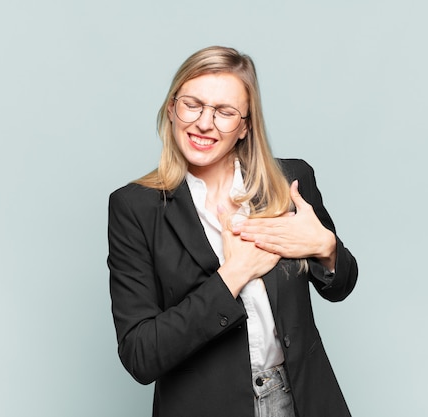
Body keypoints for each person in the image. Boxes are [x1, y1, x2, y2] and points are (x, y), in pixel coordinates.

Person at [107, 45, 358, 417]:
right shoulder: (135, 208)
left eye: (225, 112)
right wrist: (233, 275)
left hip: (303, 399)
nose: (204, 123)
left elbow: (340, 286)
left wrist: (327, 247)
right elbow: (140, 354)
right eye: (192, 104)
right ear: (173, 109)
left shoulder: (291, 181)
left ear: (245, 126)